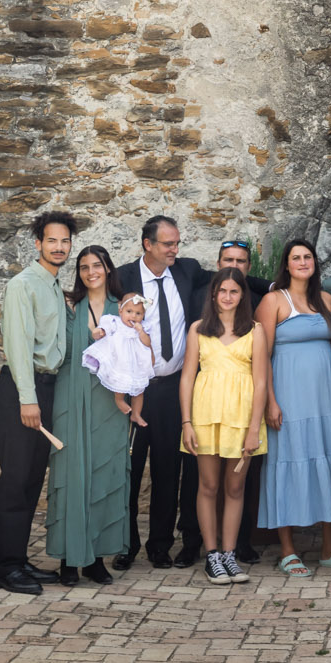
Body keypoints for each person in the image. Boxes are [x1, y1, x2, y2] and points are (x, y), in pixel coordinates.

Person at [114, 215, 209, 569]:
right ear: (148, 245)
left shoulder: (186, 270)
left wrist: (277, 284)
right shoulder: (123, 277)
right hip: (136, 390)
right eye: (168, 243)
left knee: (168, 472)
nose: (175, 249)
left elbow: (227, 280)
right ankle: (126, 545)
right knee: (130, 470)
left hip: (172, 390)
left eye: (177, 242)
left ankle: (159, 545)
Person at [0, 210, 76, 594]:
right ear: (38, 243)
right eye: (52, 240)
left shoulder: (55, 285)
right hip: (21, 391)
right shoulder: (23, 285)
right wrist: (28, 400)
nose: (59, 247)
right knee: (15, 480)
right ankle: (5, 567)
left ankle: (19, 560)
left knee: (30, 481)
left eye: (65, 241)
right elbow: (19, 347)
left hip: (45, 388)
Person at [255, 239, 331, 577]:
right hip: (289, 402)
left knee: (327, 465)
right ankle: (288, 550)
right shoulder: (272, 301)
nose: (302, 262)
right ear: (286, 264)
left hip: (324, 401)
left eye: (307, 256)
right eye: (295, 257)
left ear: (315, 263)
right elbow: (261, 356)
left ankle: (328, 548)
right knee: (286, 464)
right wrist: (270, 402)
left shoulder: (325, 300)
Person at [46, 246, 131, 586]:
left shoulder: (123, 307)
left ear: (108, 269)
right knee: (70, 475)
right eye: (83, 267)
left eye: (97, 265)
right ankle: (68, 559)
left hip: (110, 402)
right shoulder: (68, 306)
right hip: (70, 395)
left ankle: (96, 558)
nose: (91, 271)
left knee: (105, 474)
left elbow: (139, 352)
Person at [181, 268, 269, 585]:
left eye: (234, 291)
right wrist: (187, 422)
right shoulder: (198, 330)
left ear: (243, 295)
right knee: (208, 486)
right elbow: (188, 377)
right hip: (205, 417)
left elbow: (260, 382)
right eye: (222, 291)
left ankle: (230, 554)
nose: (228, 297)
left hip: (241, 418)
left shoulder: (255, 331)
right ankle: (213, 555)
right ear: (214, 294)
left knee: (235, 487)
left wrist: (253, 428)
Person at [83, 293, 154, 423]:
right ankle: (119, 400)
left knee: (139, 391)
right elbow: (104, 329)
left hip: (136, 364)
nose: (133, 316)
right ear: (120, 310)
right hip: (120, 361)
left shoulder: (144, 327)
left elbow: (147, 343)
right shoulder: (114, 321)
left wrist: (141, 332)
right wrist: (99, 332)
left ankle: (136, 414)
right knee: (120, 383)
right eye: (129, 311)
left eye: (138, 313)